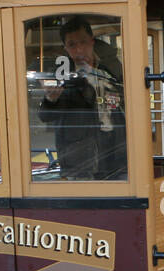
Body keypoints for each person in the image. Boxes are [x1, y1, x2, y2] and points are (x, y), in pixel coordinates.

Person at [40, 16, 125, 179]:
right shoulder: (62, 75)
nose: (79, 50)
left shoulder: (111, 68)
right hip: (79, 162)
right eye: (72, 45)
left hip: (115, 154)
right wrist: (51, 98)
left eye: (83, 42)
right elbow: (45, 116)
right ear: (65, 48)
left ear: (92, 41)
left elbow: (125, 100)